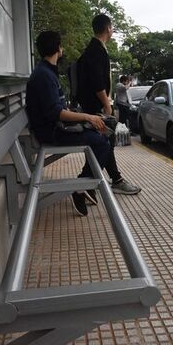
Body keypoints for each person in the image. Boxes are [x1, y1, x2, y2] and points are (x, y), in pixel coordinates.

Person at [26, 31, 109, 216]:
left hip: (53, 128)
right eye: (61, 45)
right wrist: (87, 117)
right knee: (102, 142)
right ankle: (81, 186)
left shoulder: (46, 71)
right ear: (57, 49)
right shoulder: (44, 76)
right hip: (51, 132)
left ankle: (83, 185)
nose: (62, 48)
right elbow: (56, 112)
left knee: (100, 133)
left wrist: (85, 117)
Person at [77, 14, 141, 195]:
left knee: (105, 141)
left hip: (92, 105)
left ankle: (99, 181)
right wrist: (107, 105)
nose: (112, 30)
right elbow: (97, 82)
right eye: (112, 28)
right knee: (106, 141)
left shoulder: (94, 49)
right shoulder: (96, 50)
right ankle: (89, 182)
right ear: (108, 29)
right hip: (96, 107)